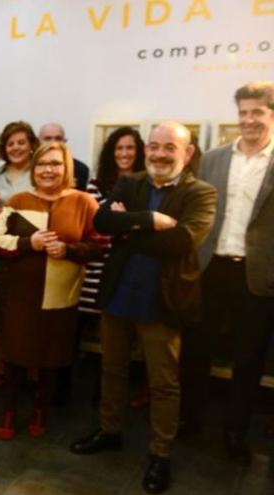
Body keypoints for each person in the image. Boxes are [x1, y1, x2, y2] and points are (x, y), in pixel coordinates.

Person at [70, 122, 216, 494]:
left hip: (163, 301)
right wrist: (147, 221)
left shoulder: (202, 193)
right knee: (112, 369)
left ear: (187, 153)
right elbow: (103, 221)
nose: (160, 154)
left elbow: (182, 242)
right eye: (153, 146)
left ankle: (160, 454)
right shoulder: (130, 183)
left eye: (170, 147)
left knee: (164, 383)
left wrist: (127, 230)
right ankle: (110, 430)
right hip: (119, 293)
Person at [182, 81, 274, 467]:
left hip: (256, 274)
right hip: (209, 267)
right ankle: (189, 421)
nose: (249, 120)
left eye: (258, 112)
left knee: (248, 358)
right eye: (244, 113)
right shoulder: (213, 159)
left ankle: (235, 431)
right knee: (195, 349)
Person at [0, 141, 100, 440]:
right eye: (42, 164)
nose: (48, 170)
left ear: (66, 168)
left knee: (52, 355)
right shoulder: (17, 201)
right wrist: (29, 244)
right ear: (33, 168)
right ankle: (10, 409)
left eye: (56, 164)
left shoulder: (84, 203)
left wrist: (70, 250)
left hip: (61, 294)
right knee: (15, 353)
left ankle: (41, 409)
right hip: (20, 294)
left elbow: (100, 245)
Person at [79, 127, 147, 407]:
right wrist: (126, 223)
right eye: (119, 148)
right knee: (96, 330)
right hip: (96, 265)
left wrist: (124, 223)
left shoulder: (147, 185)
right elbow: (94, 225)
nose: (124, 153)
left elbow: (145, 229)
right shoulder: (96, 185)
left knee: (123, 334)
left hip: (130, 265)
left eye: (130, 148)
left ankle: (118, 393)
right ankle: (95, 391)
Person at [0, 120, 40, 389]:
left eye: (21, 142)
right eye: (10, 144)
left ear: (31, 145)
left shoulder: (40, 174)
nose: (16, 148)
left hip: (31, 249)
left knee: (29, 313)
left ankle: (29, 367)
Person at [38, 122, 90, 191]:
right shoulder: (30, 166)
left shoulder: (80, 169)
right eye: (47, 139)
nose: (53, 142)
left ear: (64, 141)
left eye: (58, 138)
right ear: (38, 142)